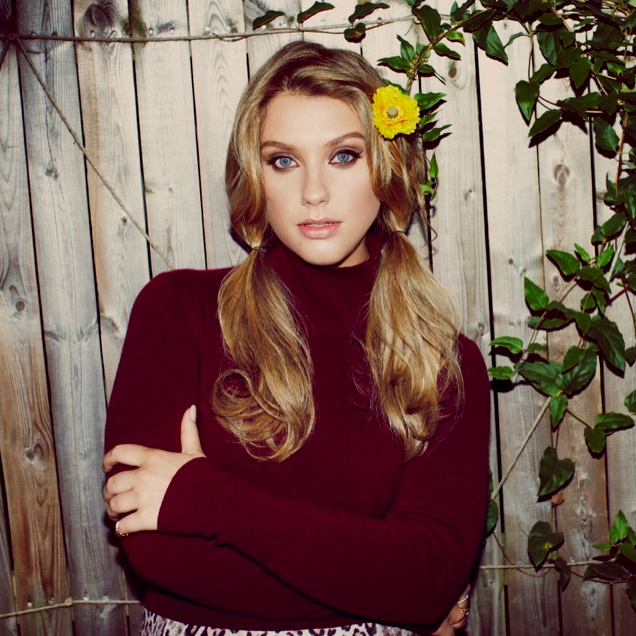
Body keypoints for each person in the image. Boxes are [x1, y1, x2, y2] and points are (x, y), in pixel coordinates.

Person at [102, 40, 490, 636]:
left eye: (343, 156)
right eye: (283, 160)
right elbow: (159, 555)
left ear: (385, 168)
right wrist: (382, 585)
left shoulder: (443, 360)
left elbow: (425, 578)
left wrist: (204, 497)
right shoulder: (179, 311)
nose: (314, 192)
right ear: (255, 177)